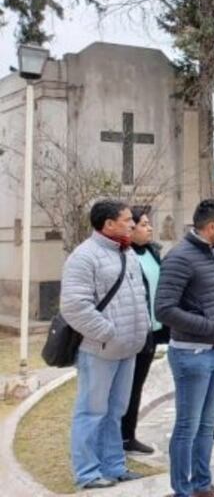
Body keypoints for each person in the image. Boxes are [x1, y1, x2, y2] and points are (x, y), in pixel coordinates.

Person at [61, 199, 150, 490]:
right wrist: (108, 333)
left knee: (115, 412)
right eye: (127, 220)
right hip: (99, 349)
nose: (132, 224)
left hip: (127, 349)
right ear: (108, 224)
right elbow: (74, 306)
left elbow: (138, 297)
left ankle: (114, 466)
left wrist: (139, 331)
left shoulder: (127, 253)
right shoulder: (84, 256)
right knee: (91, 411)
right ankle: (87, 472)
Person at [155, 198, 214, 497]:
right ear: (211, 226)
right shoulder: (180, 257)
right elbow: (164, 309)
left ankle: (202, 484)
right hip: (193, 355)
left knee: (207, 425)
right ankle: (182, 489)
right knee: (188, 426)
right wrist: (209, 327)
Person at [121, 206, 170, 455]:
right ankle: (119, 437)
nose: (149, 228)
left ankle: (129, 435)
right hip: (131, 331)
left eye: (149, 224)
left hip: (152, 330)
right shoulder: (124, 255)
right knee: (124, 387)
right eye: (143, 224)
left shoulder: (152, 252)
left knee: (137, 385)